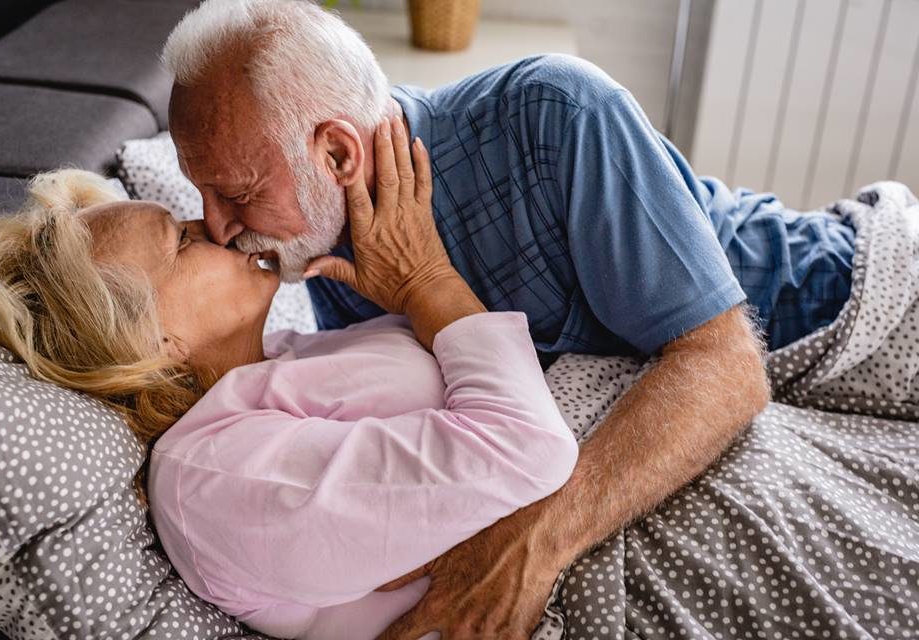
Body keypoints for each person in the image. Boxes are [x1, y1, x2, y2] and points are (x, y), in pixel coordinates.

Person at [161, 1, 776, 636]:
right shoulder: (325, 240)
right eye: (201, 193)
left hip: (807, 289)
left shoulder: (557, 111)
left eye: (236, 194)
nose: (216, 227)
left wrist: (539, 540)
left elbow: (726, 365)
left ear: (340, 156)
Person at [0, 129, 579, 639]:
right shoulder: (214, 478)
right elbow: (525, 444)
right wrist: (427, 282)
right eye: (181, 239)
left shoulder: (276, 360)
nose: (216, 225)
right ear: (151, 342)